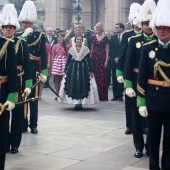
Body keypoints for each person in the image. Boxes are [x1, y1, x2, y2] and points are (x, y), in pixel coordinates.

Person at [137, 0, 170, 169]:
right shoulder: (147, 48)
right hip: (153, 101)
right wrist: (141, 102)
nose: (162, 31)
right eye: (159, 28)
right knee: (154, 140)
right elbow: (141, 78)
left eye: (165, 28)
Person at [124, 0, 157, 158]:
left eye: (150, 23)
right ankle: (138, 146)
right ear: (141, 24)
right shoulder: (134, 41)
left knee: (152, 118)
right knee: (136, 118)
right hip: (136, 82)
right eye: (145, 23)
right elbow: (128, 65)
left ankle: (150, 146)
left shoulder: (159, 41)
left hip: (153, 84)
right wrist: (128, 85)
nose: (148, 26)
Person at [1, 4, 32, 154]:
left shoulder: (22, 43)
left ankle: (15, 143)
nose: (8, 29)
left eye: (11, 27)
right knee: (4, 114)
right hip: (3, 83)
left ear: (15, 28)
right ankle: (5, 142)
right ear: (2, 28)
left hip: (18, 81)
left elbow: (27, 65)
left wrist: (28, 85)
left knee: (18, 114)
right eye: (5, 27)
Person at [18, 0, 47, 134]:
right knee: (22, 98)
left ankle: (33, 124)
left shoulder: (39, 35)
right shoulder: (18, 35)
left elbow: (43, 55)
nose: (25, 25)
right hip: (21, 70)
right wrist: (22, 36)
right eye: (23, 22)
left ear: (32, 23)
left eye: (28, 22)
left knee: (33, 99)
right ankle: (23, 123)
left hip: (34, 69)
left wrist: (44, 72)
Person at [116, 3, 141, 134]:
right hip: (129, 72)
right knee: (130, 101)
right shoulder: (127, 35)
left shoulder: (145, 35)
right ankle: (129, 125)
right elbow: (122, 55)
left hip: (141, 72)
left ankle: (142, 125)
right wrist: (119, 73)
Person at [58, 35, 99, 110]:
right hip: (73, 68)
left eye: (80, 39)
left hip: (83, 68)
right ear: (75, 40)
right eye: (78, 39)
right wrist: (65, 70)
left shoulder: (86, 49)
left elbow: (89, 61)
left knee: (82, 85)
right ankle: (76, 103)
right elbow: (68, 60)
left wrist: (91, 71)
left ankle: (81, 103)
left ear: (82, 41)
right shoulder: (71, 49)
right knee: (74, 84)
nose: (79, 41)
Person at [0, 27, 18, 170]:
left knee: (1, 132)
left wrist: (12, 96)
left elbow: (12, 72)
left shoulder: (6, 45)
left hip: (1, 92)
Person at [91, 22, 109, 101]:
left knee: (102, 76)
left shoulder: (105, 38)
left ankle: (102, 96)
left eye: (99, 27)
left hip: (102, 57)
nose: (98, 29)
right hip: (94, 58)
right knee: (94, 76)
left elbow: (107, 49)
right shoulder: (93, 37)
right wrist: (90, 58)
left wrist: (106, 60)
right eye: (96, 27)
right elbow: (92, 48)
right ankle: (94, 95)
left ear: (102, 28)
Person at [109, 23, 125, 101]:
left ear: (121, 28)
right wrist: (115, 57)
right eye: (115, 27)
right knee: (115, 78)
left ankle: (120, 95)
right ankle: (115, 95)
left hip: (123, 61)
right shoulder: (113, 37)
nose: (115, 29)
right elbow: (111, 48)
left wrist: (120, 58)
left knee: (121, 78)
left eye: (117, 27)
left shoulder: (126, 37)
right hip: (114, 60)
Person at [51, 32, 68, 100]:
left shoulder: (66, 46)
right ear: (57, 38)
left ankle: (62, 94)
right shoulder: (54, 46)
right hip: (57, 63)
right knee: (56, 81)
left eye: (62, 37)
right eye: (59, 37)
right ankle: (57, 94)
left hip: (64, 63)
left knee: (62, 80)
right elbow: (52, 56)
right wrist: (52, 65)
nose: (61, 38)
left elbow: (67, 56)